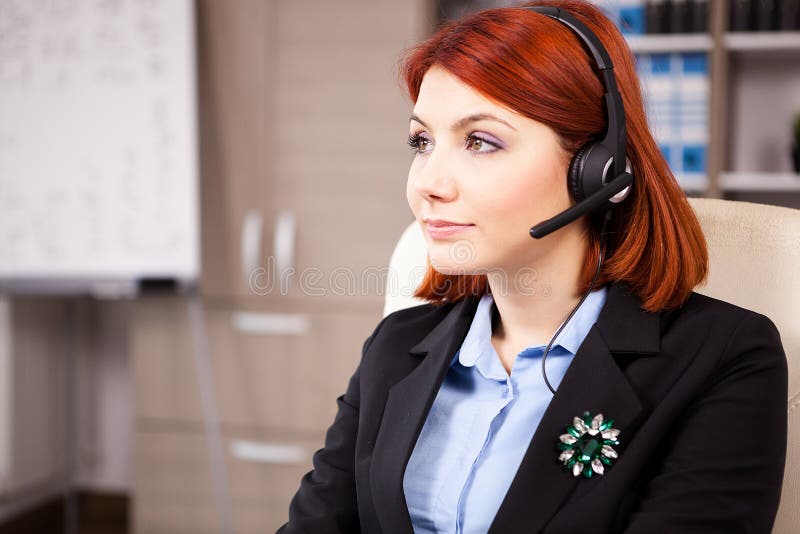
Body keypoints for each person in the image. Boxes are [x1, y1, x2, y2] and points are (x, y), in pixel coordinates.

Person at [277, 1, 788, 532]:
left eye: (480, 141)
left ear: (595, 169)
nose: (428, 182)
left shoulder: (725, 354)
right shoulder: (396, 346)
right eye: (422, 142)